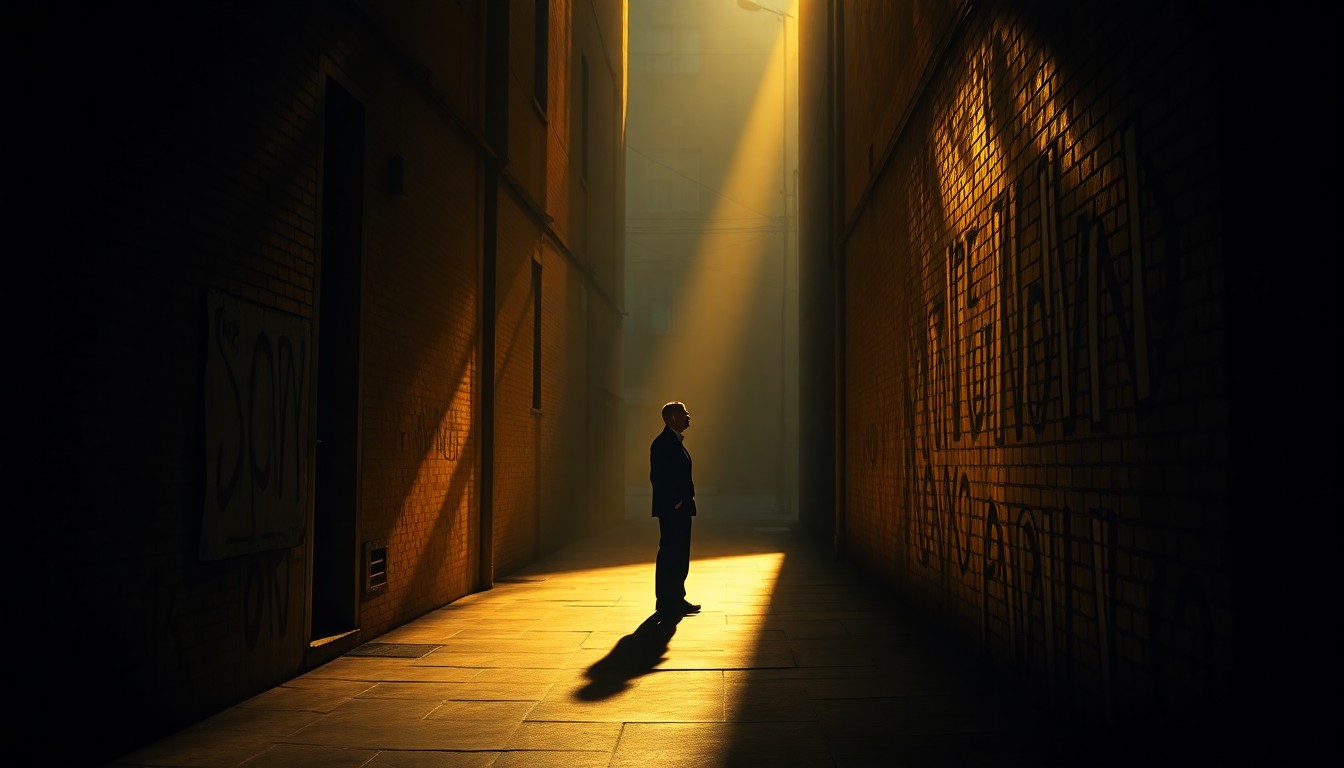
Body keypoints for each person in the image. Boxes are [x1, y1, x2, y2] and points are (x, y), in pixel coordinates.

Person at [649, 401, 701, 616]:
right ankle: (669, 601)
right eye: (684, 414)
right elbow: (659, 477)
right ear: (673, 418)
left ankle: (675, 599)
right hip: (674, 510)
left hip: (680, 508)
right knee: (672, 554)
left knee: (678, 555)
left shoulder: (674, 442)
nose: (689, 417)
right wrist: (675, 503)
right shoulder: (664, 443)